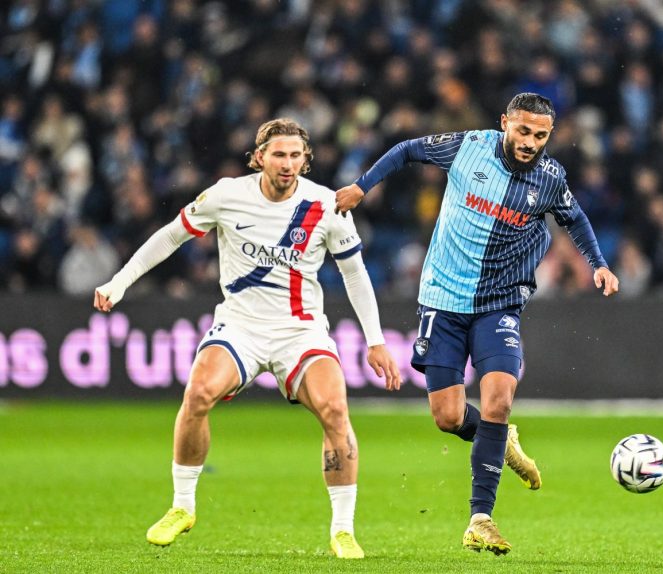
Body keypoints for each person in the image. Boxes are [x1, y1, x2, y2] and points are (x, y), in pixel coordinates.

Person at [94, 118, 401, 559]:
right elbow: (170, 237)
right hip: (240, 327)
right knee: (198, 393)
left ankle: (343, 529)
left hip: (301, 331)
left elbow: (354, 273)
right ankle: (182, 506)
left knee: (335, 409)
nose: (288, 163)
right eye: (279, 154)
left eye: (296, 156)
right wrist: (119, 283)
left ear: (306, 160)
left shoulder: (326, 205)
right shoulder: (226, 195)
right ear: (259, 157)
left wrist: (375, 340)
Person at [335, 93, 619, 555]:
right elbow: (408, 150)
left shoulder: (550, 178)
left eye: (540, 135)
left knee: (498, 398)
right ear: (504, 122)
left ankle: (480, 518)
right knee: (448, 417)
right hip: (443, 300)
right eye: (523, 131)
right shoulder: (467, 147)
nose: (529, 142)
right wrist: (362, 187)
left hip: (499, 303)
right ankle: (500, 440)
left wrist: (598, 263)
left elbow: (576, 218)